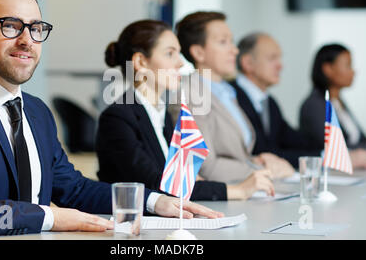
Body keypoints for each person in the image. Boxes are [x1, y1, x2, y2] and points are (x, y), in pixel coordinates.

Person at [0, 0, 222, 239]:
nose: (26, 40)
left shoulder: (36, 112)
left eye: (35, 28)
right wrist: (50, 217)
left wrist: (153, 201)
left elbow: (75, 189)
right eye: (10, 25)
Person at [96, 20, 275, 201]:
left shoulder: (159, 113)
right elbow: (157, 184)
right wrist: (237, 191)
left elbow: (181, 177)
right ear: (141, 61)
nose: (180, 63)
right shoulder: (118, 118)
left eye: (178, 54)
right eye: (169, 54)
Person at [175, 11, 295, 183]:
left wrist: (257, 160)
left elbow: (235, 155)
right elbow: (205, 167)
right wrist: (260, 169)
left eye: (231, 41)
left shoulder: (226, 92)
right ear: (198, 53)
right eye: (223, 42)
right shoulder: (191, 94)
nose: (234, 50)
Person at [231, 32, 320, 168]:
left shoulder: (269, 102)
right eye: (272, 58)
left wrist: (327, 153)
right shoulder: (231, 97)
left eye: (279, 58)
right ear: (248, 63)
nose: (280, 66)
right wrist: (323, 158)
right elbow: (261, 152)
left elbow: (294, 140)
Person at [299, 44, 366, 169]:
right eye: (348, 65)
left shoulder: (338, 102)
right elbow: (335, 147)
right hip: (333, 175)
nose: (353, 71)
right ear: (328, 69)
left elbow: (363, 139)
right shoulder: (314, 105)